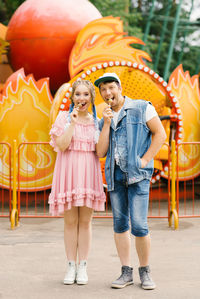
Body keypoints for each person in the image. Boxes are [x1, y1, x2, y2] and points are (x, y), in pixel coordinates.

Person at [95, 72, 166, 290]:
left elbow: (160, 134)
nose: (108, 93)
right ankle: (126, 272)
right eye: (103, 90)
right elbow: (101, 152)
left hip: (138, 176)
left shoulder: (142, 108)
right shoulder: (103, 118)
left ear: (119, 87)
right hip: (115, 177)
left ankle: (145, 271)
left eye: (111, 88)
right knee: (119, 225)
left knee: (139, 225)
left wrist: (145, 159)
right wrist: (106, 124)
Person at [48, 79, 106, 285]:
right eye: (78, 94)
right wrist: (72, 123)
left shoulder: (96, 122)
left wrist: (106, 124)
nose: (81, 98)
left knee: (85, 222)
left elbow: (100, 152)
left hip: (88, 175)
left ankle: (83, 265)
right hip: (68, 174)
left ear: (91, 98)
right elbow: (62, 145)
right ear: (72, 97)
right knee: (70, 222)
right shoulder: (64, 117)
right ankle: (70, 265)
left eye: (86, 94)